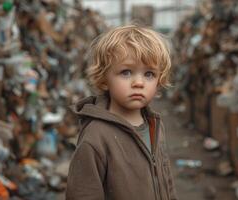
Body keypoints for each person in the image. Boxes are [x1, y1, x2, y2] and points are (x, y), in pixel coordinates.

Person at [66, 24, 178, 200]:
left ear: (159, 81)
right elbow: (83, 194)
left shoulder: (155, 125)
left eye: (149, 74)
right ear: (104, 79)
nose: (138, 83)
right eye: (126, 72)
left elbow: (165, 179)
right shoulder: (96, 137)